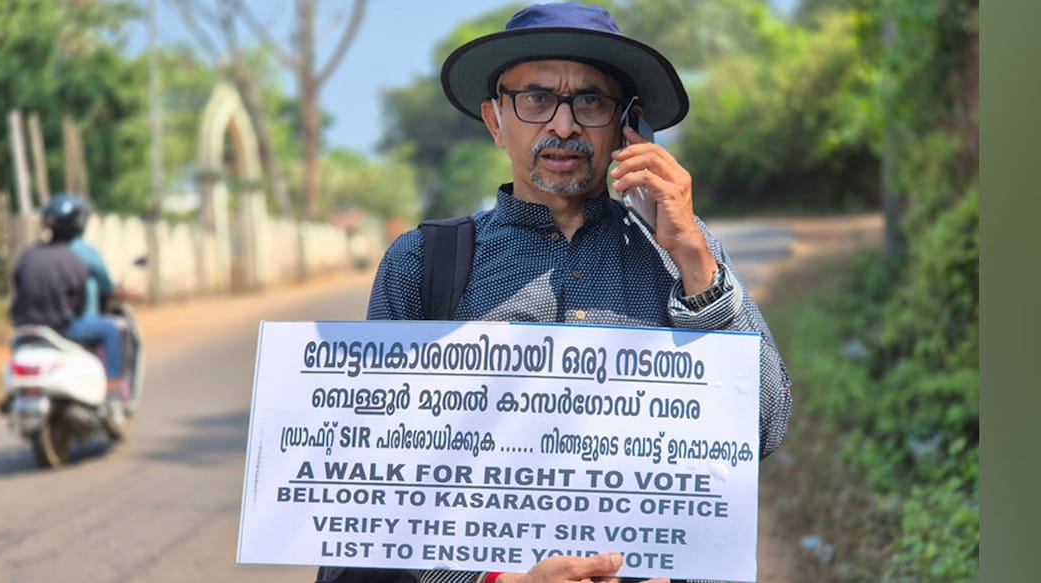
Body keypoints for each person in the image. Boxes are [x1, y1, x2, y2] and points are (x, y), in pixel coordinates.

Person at [332, 3, 792, 583]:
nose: (565, 125)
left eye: (591, 101)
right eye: (536, 98)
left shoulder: (684, 256)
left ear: (629, 125)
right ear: (496, 121)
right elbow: (377, 480)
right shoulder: (421, 265)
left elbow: (764, 431)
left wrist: (695, 259)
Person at [10, 194, 139, 401]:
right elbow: (85, 296)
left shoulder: (30, 253)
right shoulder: (77, 256)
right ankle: (113, 386)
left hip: (25, 327)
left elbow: (17, 284)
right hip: (63, 326)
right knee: (112, 330)